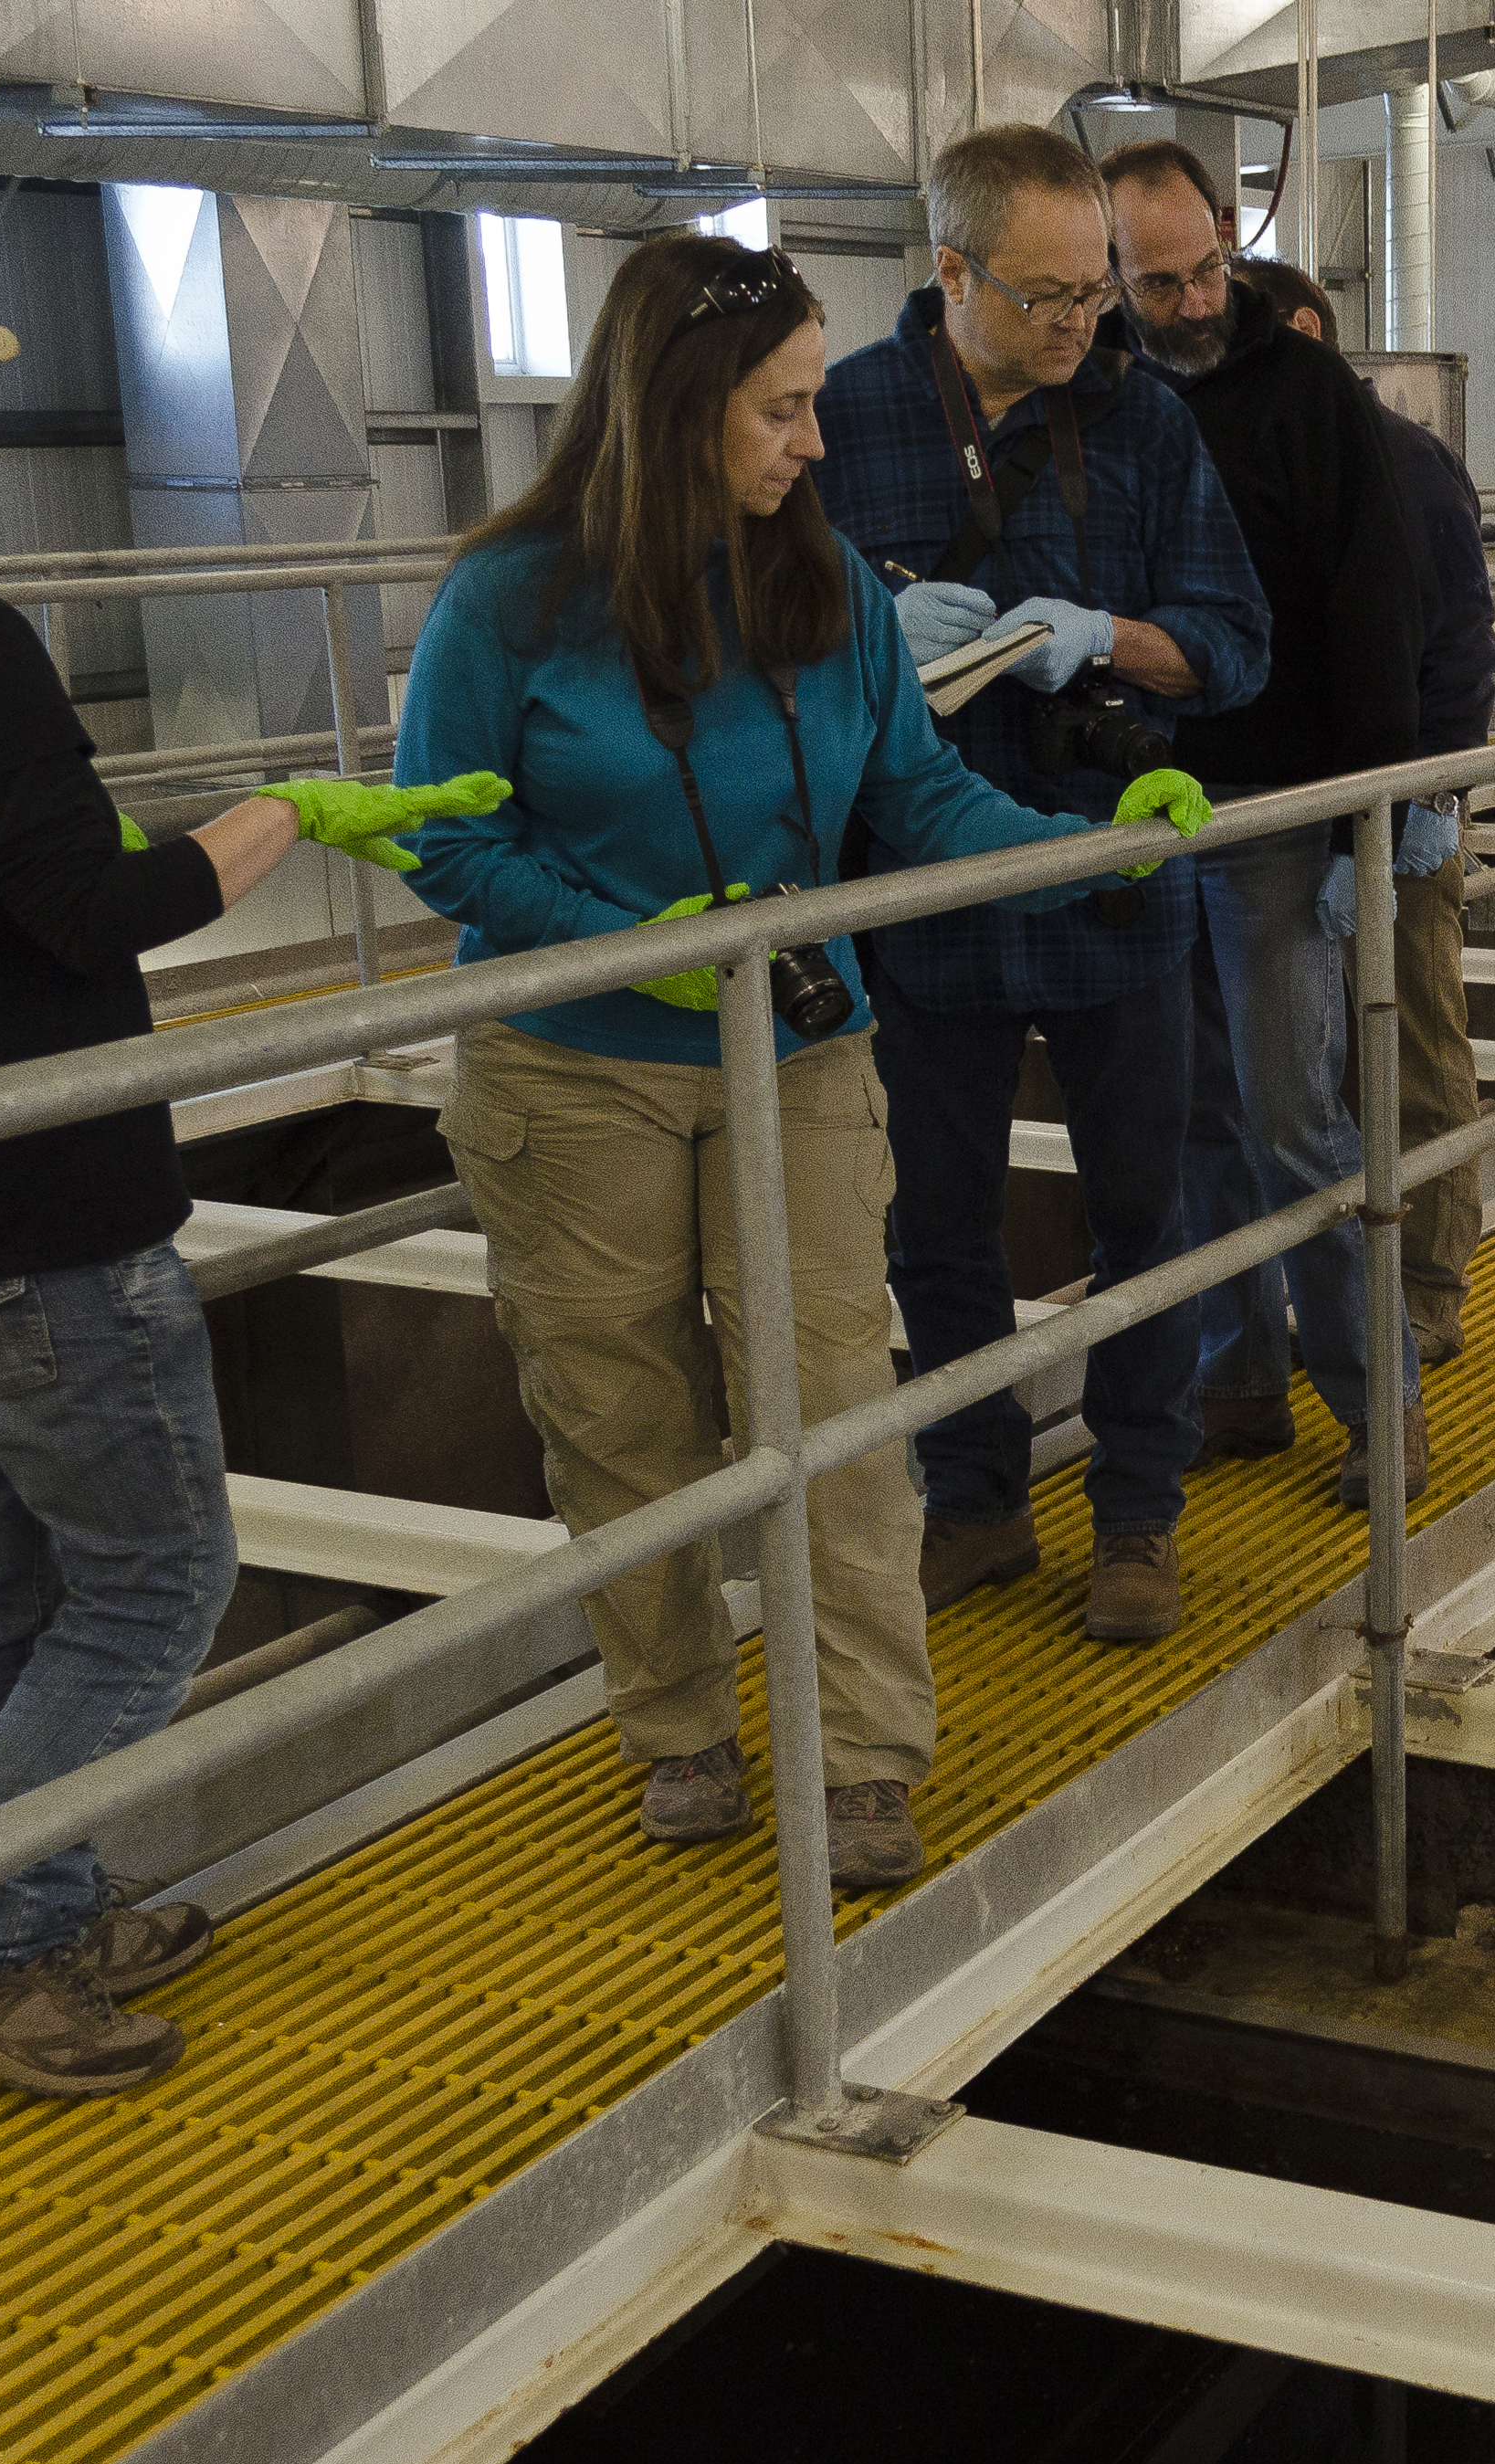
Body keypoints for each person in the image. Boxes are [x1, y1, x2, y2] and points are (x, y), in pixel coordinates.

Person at [0, 269, 500, 2097]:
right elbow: (98, 908)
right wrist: (283, 812)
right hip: (32, 1214)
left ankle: (20, 1901)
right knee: (160, 1572)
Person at [395, 235, 1205, 1890]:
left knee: (830, 1405)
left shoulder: (825, 586)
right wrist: (631, 941)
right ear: (675, 409)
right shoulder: (508, 598)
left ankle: (861, 1759)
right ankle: (677, 1721)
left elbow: (912, 801)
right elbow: (446, 842)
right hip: (577, 1068)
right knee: (620, 1411)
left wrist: (1083, 842)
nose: (813, 440)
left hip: (800, 1052)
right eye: (778, 409)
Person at [812, 123, 1272, 1645]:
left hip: (1108, 890)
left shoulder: (1141, 424)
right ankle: (978, 1501)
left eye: (1099, 298)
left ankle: (1138, 1509)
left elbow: (1234, 639)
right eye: (1052, 298)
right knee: (931, 1226)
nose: (1088, 329)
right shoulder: (841, 416)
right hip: (919, 902)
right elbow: (758, 653)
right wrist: (867, 642)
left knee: (1146, 1212)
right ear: (949, 271)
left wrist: (1104, 636)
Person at [1097, 140, 1434, 1509]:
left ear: (1231, 236)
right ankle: (1239, 1379)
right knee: (1191, 1120)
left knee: (1300, 1118)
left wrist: (1379, 807)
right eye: (1159, 281)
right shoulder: (1102, 396)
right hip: (1137, 805)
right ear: (1107, 272)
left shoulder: (1303, 393)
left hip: (1283, 805)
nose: (1192, 302)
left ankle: (1380, 1401)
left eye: (1208, 270)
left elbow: (1379, 600)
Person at [1233, 258, 1495, 1367]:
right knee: (1292, 1077)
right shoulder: (1249, 456)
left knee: (1412, 1041)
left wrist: (1427, 795)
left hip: (1394, 814)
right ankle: (1298, 1308)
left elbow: (1458, 647)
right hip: (1281, 818)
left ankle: (1428, 1287)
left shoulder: (1406, 464)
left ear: (1304, 333)